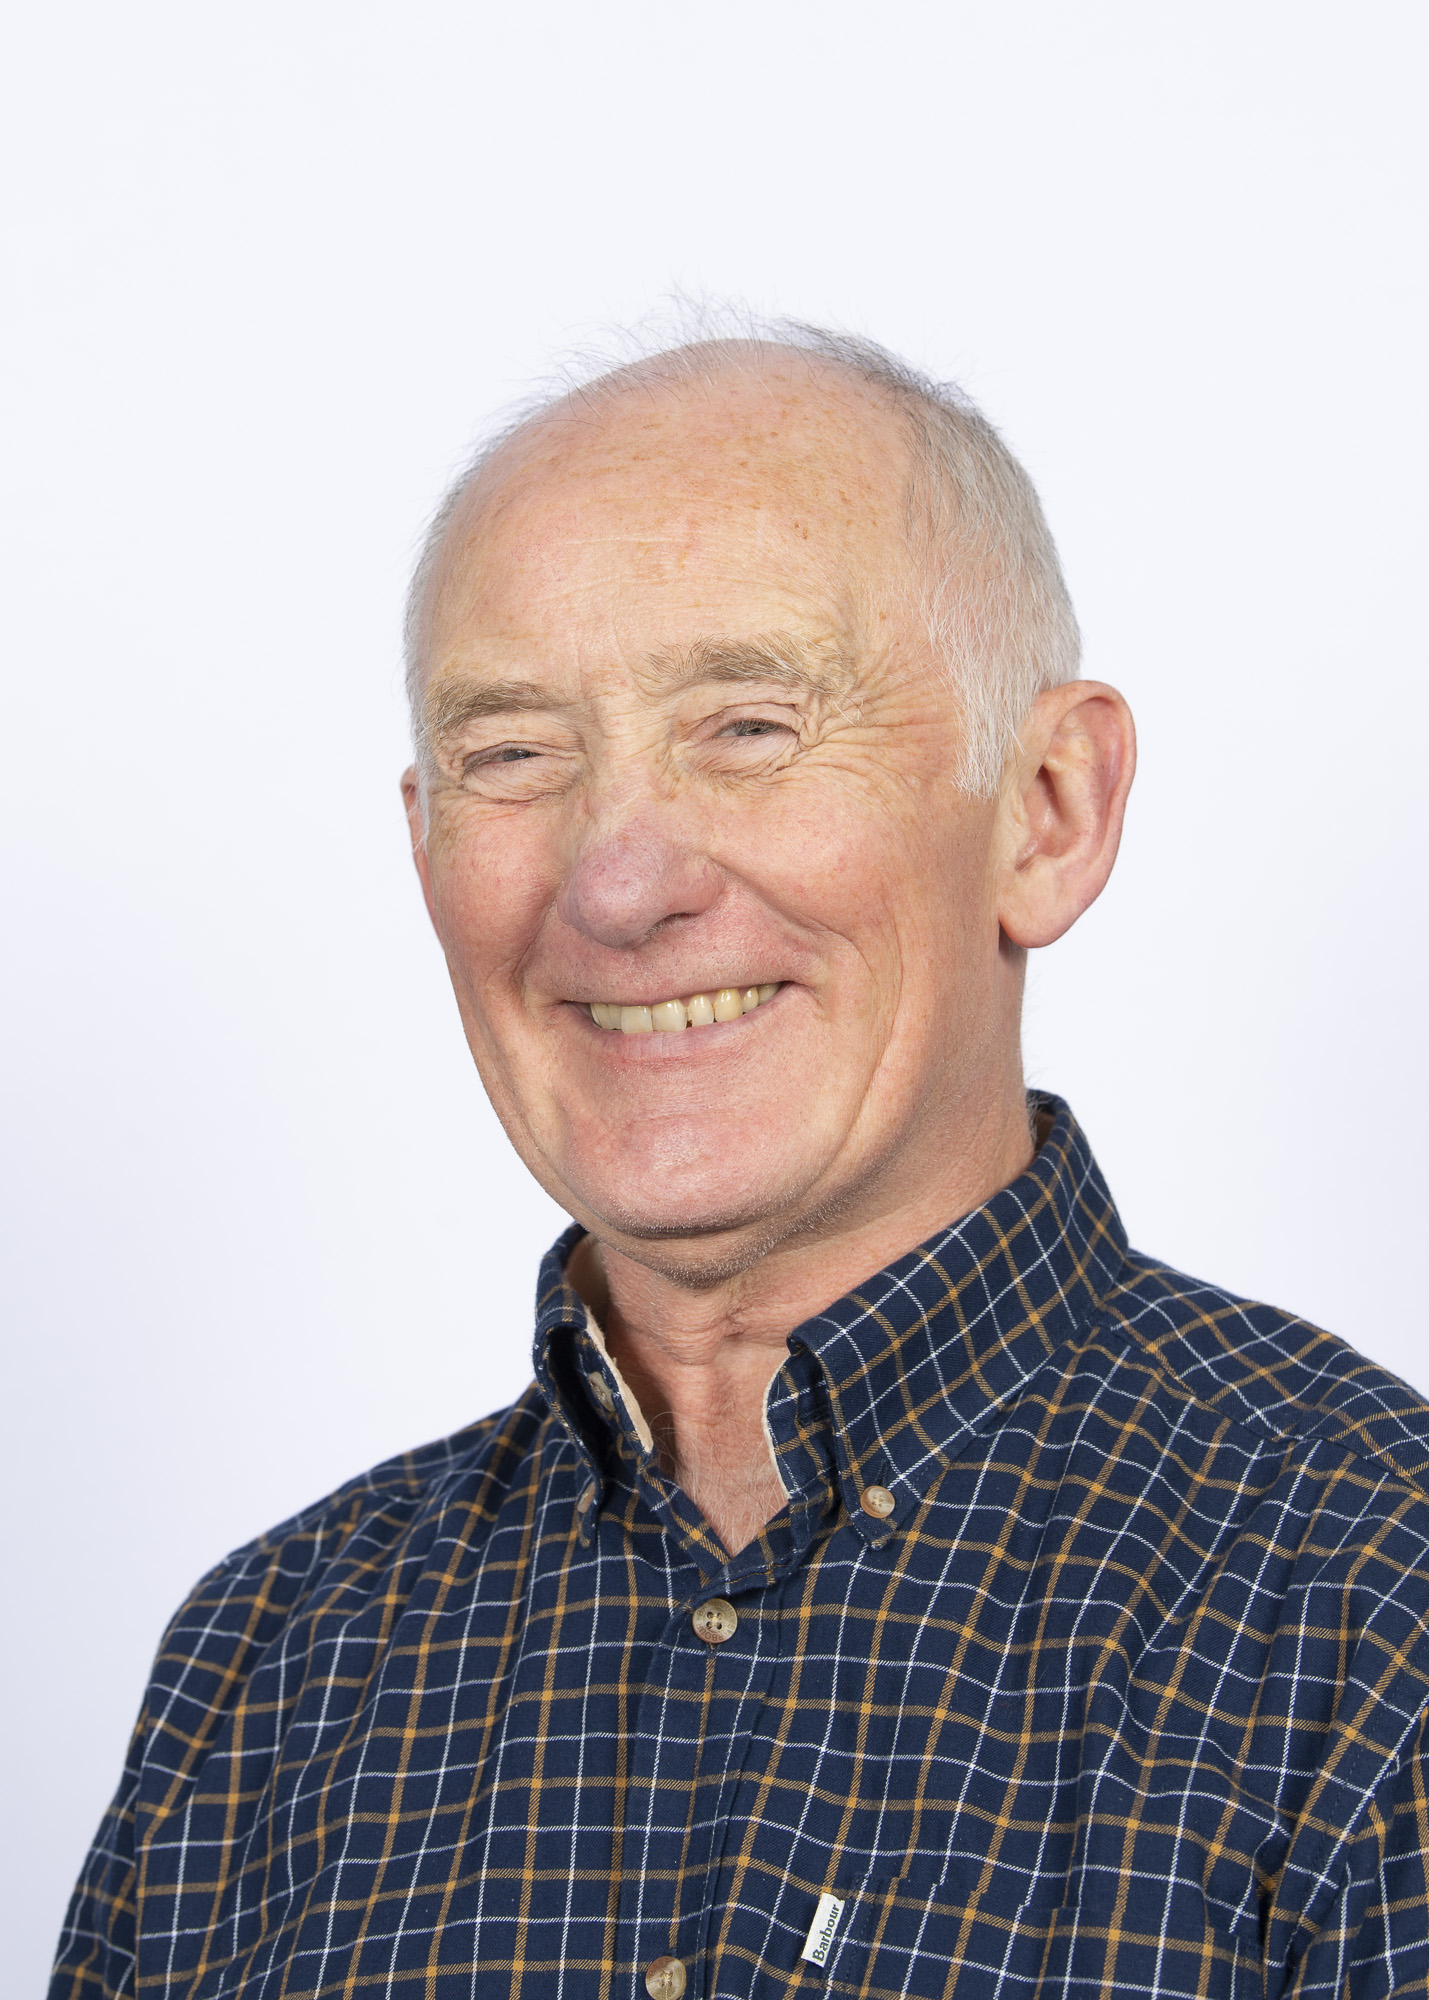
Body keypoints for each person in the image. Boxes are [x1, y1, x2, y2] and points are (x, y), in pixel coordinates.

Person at [51, 323, 1429, 2000]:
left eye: (752, 726)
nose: (618, 883)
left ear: (1048, 808)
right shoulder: (264, 1672)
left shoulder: (1374, 1608)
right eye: (512, 754)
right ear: (421, 842)